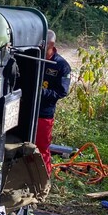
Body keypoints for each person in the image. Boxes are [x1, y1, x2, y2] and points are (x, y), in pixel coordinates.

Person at [36, 30, 71, 173]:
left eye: (44, 47)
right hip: (25, 108)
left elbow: (62, 91)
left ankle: (44, 178)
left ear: (51, 45)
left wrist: (40, 92)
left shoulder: (62, 66)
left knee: (42, 147)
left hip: (44, 113)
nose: (41, 50)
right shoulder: (33, 57)